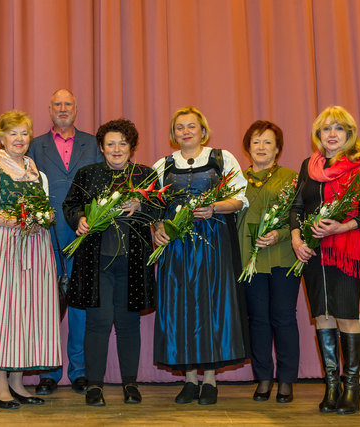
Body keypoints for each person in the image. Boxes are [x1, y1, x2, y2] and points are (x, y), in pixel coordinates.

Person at [290, 106, 360, 415]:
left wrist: (343, 226)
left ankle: (352, 387)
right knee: (323, 315)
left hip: (345, 251)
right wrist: (296, 238)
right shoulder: (309, 165)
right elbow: (297, 206)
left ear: (349, 134)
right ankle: (332, 386)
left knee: (345, 315)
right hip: (313, 252)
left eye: (338, 129)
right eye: (325, 129)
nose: (331, 134)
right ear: (319, 135)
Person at [152, 106, 248, 405]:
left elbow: (240, 199)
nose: (186, 131)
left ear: (203, 130)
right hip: (178, 248)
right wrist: (157, 229)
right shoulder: (162, 165)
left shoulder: (222, 158)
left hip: (213, 245)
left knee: (210, 306)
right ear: (173, 134)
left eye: (191, 126)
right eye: (180, 127)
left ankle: (210, 380)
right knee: (181, 308)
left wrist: (214, 208)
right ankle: (190, 380)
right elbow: (153, 209)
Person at [62, 118, 159, 407]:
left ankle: (130, 383)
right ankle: (94, 385)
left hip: (133, 262)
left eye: (123, 143)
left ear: (132, 147)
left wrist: (141, 204)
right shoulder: (87, 173)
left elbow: (159, 208)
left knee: (129, 323)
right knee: (98, 323)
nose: (117, 149)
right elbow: (70, 205)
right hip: (96, 262)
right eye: (110, 144)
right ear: (102, 148)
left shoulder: (145, 175)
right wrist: (78, 218)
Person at [0, 110, 61, 409]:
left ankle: (17, 382)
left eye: (24, 133)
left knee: (31, 312)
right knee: (5, 312)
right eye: (13, 133)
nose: (19, 139)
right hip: (6, 245)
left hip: (36, 247)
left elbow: (47, 209)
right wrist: (18, 221)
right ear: (1, 137)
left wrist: (45, 217)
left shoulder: (38, 171)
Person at [27, 89, 103, 395]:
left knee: (80, 306)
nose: (62, 108)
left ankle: (80, 371)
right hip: (45, 234)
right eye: (56, 104)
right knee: (47, 305)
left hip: (84, 232)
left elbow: (101, 183)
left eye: (67, 104)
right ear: (49, 109)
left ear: (76, 108)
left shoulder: (93, 143)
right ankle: (48, 372)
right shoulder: (35, 145)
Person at [236, 121, 300, 403]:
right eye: (256, 142)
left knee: (283, 319)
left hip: (283, 258)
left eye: (268, 142)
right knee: (257, 321)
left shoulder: (291, 177)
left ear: (278, 148)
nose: (261, 147)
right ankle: (263, 378)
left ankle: (286, 380)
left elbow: (301, 219)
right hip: (249, 261)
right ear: (248, 147)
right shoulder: (236, 180)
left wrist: (281, 234)